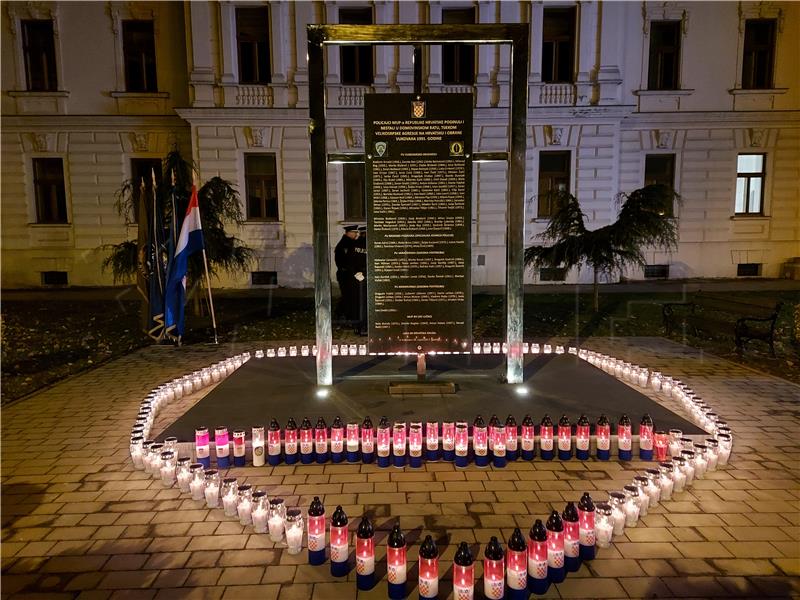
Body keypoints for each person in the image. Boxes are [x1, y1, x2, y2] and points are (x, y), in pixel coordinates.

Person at [334, 225, 359, 324]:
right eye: (354, 232)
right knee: (347, 295)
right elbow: (343, 261)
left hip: (348, 274)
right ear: (348, 232)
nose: (356, 234)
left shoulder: (349, 243)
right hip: (345, 274)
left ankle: (343, 314)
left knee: (349, 295)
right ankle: (341, 314)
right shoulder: (344, 244)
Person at [353, 225, 368, 335]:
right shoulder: (358, 244)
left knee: (360, 302)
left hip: (359, 275)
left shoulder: (355, 244)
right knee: (362, 303)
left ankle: (361, 326)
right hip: (362, 275)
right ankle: (362, 326)